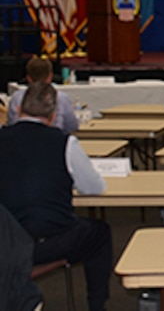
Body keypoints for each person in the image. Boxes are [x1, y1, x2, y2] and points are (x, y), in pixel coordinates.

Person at [0, 82, 111, 311]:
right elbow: (94, 187)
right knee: (99, 233)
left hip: (6, 243)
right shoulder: (64, 143)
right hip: (50, 241)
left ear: (18, 110)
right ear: (52, 116)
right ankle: (97, 306)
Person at [7, 57, 78, 133]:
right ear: (50, 76)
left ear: (28, 78)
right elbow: (72, 126)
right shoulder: (61, 97)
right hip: (54, 141)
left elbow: (12, 124)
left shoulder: (16, 97)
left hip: (20, 140)